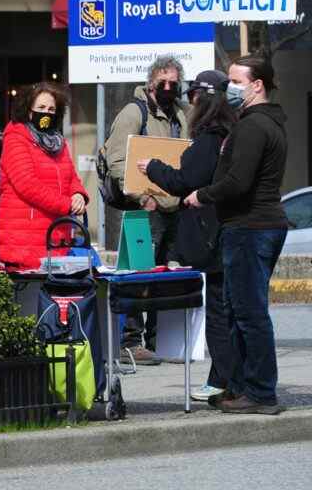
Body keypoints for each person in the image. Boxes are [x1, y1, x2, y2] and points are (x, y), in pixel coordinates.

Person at [184, 55, 288, 415]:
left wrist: (202, 195)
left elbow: (237, 182)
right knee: (236, 311)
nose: (229, 88)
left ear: (257, 85)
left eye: (236, 81)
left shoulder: (253, 127)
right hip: (251, 226)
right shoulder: (258, 123)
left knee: (248, 312)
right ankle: (241, 386)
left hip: (250, 227)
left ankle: (260, 392)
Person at [137, 69, 238, 402]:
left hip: (209, 237)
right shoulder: (229, 133)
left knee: (218, 313)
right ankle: (226, 378)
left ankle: (223, 380)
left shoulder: (210, 138)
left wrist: (152, 167)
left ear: (200, 99)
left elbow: (185, 181)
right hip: (223, 233)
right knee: (228, 310)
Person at [105, 55, 189, 365]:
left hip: (175, 208)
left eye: (173, 83)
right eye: (163, 82)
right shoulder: (133, 112)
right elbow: (116, 161)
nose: (168, 87)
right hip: (144, 208)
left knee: (165, 278)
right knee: (138, 275)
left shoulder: (181, 114)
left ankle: (158, 341)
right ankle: (131, 342)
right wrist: (141, 197)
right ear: (151, 82)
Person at [0, 82, 88, 270]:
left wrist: (78, 194)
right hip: (25, 241)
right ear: (29, 111)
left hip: (55, 237)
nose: (47, 113)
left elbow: (71, 177)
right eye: (41, 108)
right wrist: (66, 205)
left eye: (52, 109)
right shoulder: (16, 137)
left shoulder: (57, 141)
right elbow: (27, 185)